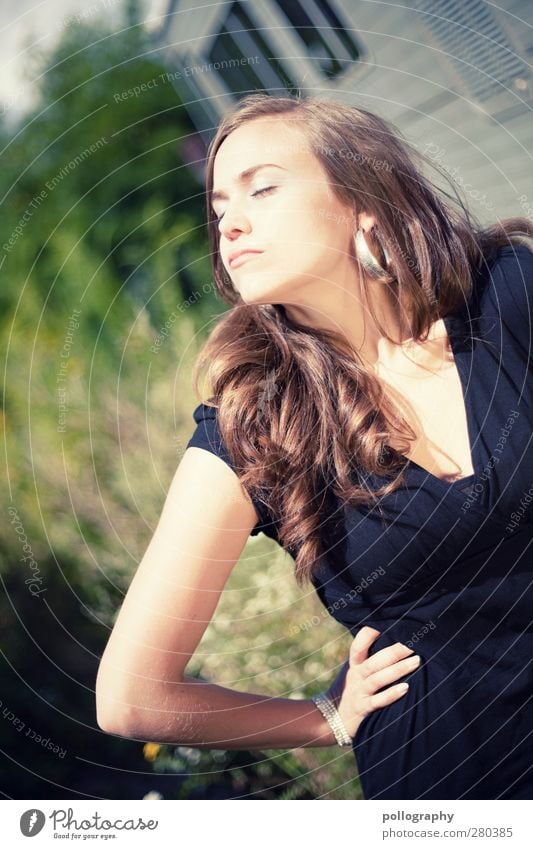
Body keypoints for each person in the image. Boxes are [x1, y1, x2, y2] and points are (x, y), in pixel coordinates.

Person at [96, 93, 533, 800]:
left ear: (364, 200)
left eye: (262, 188)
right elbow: (129, 696)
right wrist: (324, 717)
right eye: (217, 211)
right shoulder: (252, 430)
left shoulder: (507, 294)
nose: (231, 223)